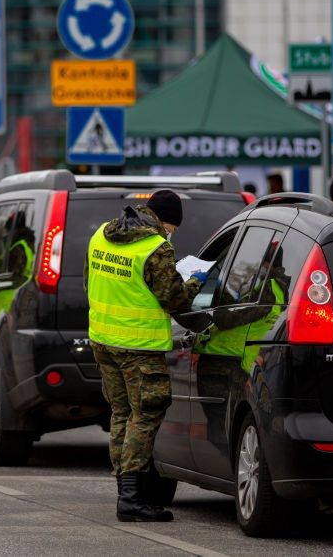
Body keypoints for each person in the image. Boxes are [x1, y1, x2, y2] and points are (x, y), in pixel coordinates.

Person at [86, 190, 205, 522]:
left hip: (103, 341)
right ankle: (131, 497)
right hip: (140, 347)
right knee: (145, 415)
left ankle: (124, 492)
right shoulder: (156, 247)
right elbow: (174, 300)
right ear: (166, 221)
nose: (171, 234)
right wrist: (194, 283)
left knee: (121, 413)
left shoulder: (101, 235)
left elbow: (88, 283)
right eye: (173, 228)